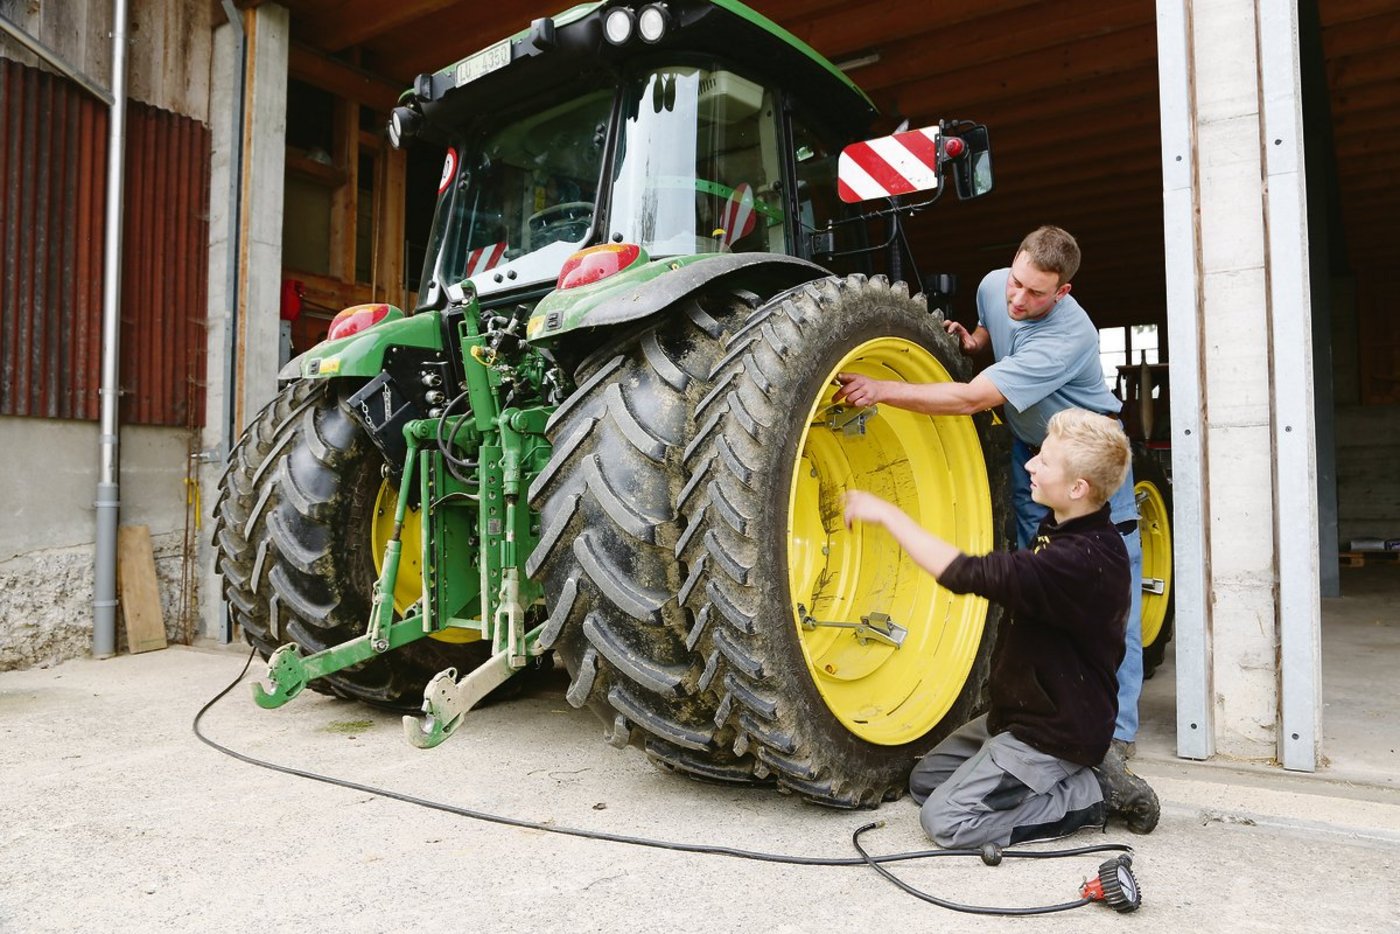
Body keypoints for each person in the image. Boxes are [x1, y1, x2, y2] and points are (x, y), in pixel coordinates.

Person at [834, 225, 1146, 783]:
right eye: (1017, 283)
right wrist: (975, 344)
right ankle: (1035, 713)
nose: (1018, 299)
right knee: (1036, 588)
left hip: (1087, 461)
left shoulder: (1069, 337)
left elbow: (974, 398)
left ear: (1063, 294)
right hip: (1035, 454)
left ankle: (1111, 743)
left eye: (1036, 294)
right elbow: (987, 330)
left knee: (1106, 600)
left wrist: (881, 390)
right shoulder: (993, 285)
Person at [842, 409, 1159, 846]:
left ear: (1077, 488)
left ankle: (1092, 795)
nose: (1030, 464)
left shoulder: (1082, 561)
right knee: (925, 782)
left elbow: (967, 573)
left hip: (1055, 733)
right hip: (1018, 716)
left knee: (946, 821)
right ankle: (1045, 774)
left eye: (1044, 462)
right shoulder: (1064, 524)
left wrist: (888, 515)